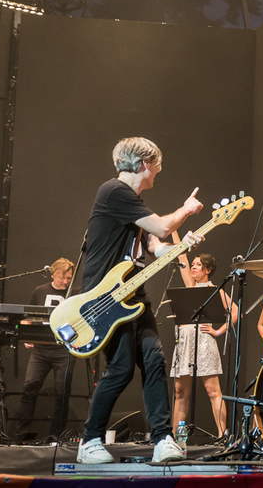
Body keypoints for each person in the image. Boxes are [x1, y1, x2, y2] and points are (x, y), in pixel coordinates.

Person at [76, 137, 204, 464]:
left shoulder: (131, 203)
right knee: (120, 369)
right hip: (106, 299)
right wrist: (186, 210)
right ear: (145, 163)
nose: (159, 170)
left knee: (154, 362)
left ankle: (162, 440)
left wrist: (182, 247)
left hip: (134, 295)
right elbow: (162, 227)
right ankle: (89, 440)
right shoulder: (114, 191)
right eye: (157, 164)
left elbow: (155, 246)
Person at [169, 231, 238, 438]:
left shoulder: (214, 290)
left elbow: (235, 312)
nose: (193, 267)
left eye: (198, 265)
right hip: (185, 340)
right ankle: (176, 437)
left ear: (207, 270)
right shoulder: (190, 286)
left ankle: (222, 435)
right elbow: (182, 255)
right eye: (193, 264)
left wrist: (218, 331)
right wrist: (174, 230)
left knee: (213, 391)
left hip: (203, 341)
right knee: (180, 392)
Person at [13, 258, 78, 443]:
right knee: (29, 390)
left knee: (62, 394)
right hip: (40, 350)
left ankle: (57, 437)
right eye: (62, 277)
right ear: (53, 274)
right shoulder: (40, 291)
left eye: (69, 278)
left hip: (63, 350)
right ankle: (21, 435)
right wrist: (26, 335)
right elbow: (28, 317)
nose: (65, 282)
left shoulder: (76, 293)